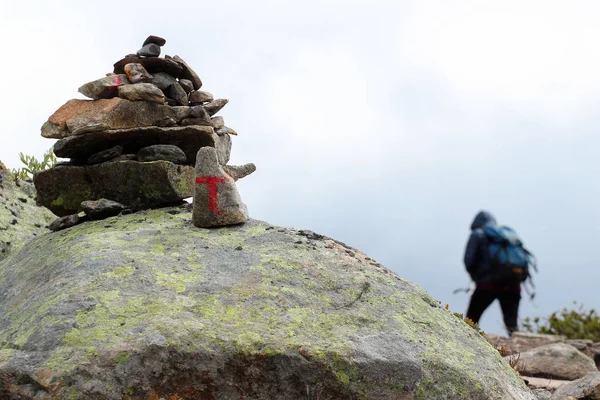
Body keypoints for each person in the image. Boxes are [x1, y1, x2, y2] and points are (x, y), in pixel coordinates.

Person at [464, 211, 521, 336]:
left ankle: (465, 344)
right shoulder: (505, 235)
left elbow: (468, 261)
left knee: (470, 321)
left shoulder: (477, 234)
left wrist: (477, 278)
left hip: (487, 284)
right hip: (513, 283)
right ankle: (516, 348)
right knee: (511, 324)